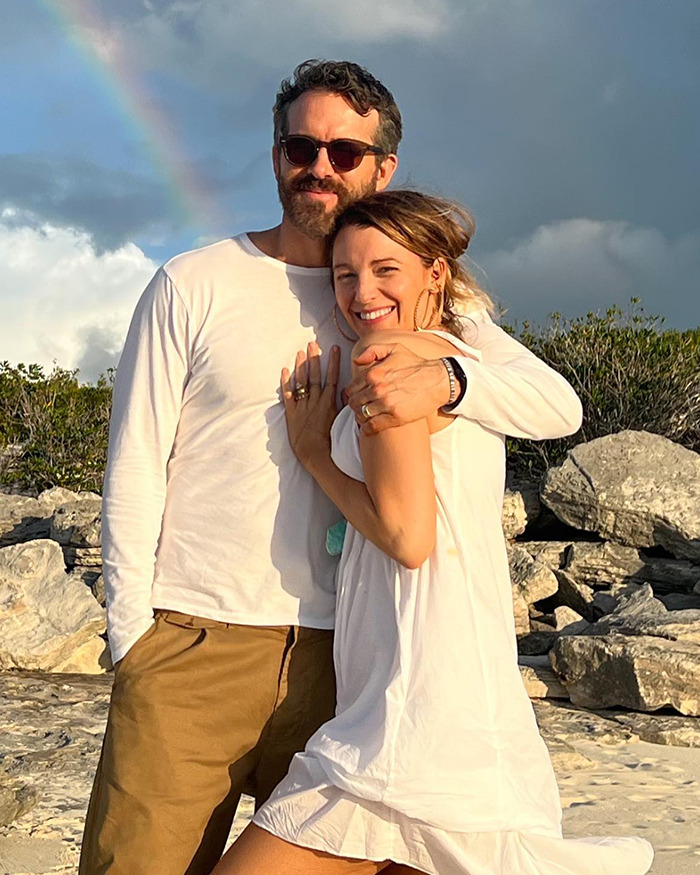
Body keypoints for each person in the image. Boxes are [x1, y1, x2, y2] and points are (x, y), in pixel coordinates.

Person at [211, 190, 654, 874]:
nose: (362, 293)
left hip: (410, 700)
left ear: (435, 274)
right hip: (452, 682)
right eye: (345, 275)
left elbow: (406, 535)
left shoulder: (388, 357)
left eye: (386, 270)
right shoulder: (459, 354)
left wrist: (314, 456)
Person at [79, 59, 403, 874]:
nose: (319, 168)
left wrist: (456, 372)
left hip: (349, 658)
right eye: (300, 147)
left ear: (383, 168)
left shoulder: (393, 299)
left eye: (344, 152)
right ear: (274, 158)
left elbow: (546, 400)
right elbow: (135, 464)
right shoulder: (193, 284)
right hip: (192, 645)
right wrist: (134, 640)